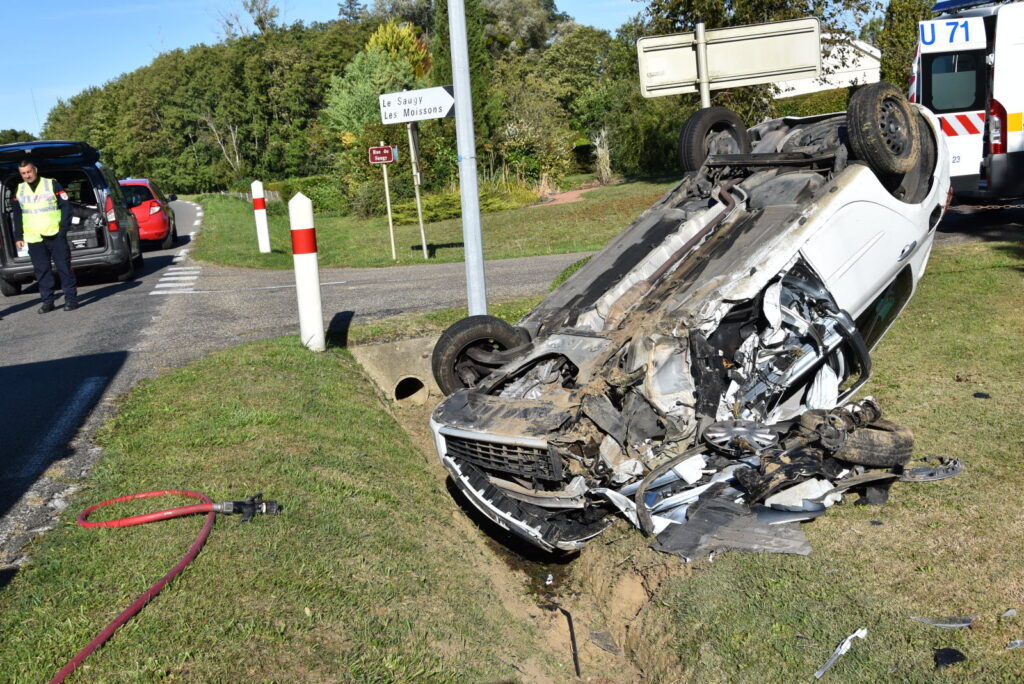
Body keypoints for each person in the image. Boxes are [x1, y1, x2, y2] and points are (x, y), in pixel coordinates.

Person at [12, 160, 79, 312]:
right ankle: (48, 301)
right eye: (23, 173)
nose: (27, 175)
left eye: (29, 172)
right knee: (41, 270)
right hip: (34, 236)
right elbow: (17, 215)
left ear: (35, 169)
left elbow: (66, 206)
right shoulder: (19, 189)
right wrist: (18, 236)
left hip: (54, 233)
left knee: (64, 267)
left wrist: (63, 229)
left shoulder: (51, 184)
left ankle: (71, 299)